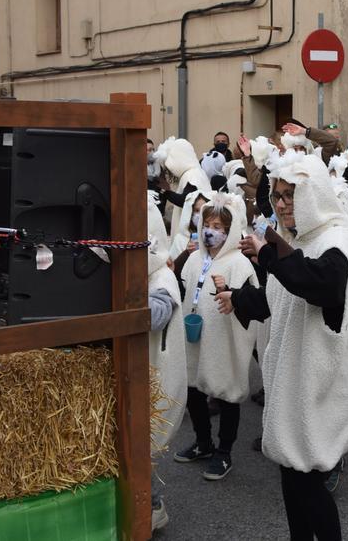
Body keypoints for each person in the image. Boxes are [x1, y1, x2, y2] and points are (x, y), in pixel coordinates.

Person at [218, 151, 348, 541]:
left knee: (308, 484)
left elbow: (323, 286)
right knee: (292, 477)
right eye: (278, 196)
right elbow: (279, 299)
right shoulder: (300, 238)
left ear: (313, 193)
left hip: (319, 383)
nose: (283, 204)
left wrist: (269, 255)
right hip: (295, 381)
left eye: (291, 195)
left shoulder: (335, 237)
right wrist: (238, 298)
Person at [175, 194, 258, 482]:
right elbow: (181, 285)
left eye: (218, 226)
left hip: (224, 339)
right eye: (207, 223)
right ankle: (203, 442)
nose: (211, 230)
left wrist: (232, 291)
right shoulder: (195, 258)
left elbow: (251, 304)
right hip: (193, 336)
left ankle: (224, 451)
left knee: (226, 391)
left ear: (230, 230)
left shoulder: (239, 264)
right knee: (194, 389)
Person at [146, 193, 186, 532]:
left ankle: (154, 507)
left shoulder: (162, 275)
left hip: (154, 377)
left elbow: (157, 314)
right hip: (133, 373)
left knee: (144, 450)